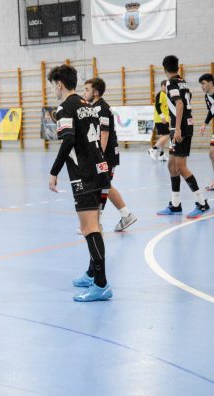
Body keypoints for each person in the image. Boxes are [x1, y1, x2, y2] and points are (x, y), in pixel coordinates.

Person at [47, 65, 112, 302]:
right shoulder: (88, 106)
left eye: (53, 85)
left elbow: (68, 142)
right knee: (95, 224)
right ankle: (93, 272)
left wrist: (54, 171)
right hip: (100, 168)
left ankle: (101, 284)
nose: (53, 89)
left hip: (84, 174)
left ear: (59, 84)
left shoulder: (65, 107)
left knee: (89, 228)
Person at [156, 55, 210, 219]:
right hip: (178, 127)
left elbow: (179, 103)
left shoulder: (171, 83)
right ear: (178, 68)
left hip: (181, 128)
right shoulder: (183, 81)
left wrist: (178, 128)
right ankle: (175, 204)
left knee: (180, 166)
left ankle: (202, 203)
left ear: (164, 69)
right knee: (172, 165)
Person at [84, 78, 138, 232]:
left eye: (87, 90)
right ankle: (100, 221)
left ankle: (124, 215)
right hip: (102, 155)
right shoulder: (93, 107)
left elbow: (105, 133)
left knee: (104, 185)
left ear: (95, 92)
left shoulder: (102, 108)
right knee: (101, 186)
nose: (84, 93)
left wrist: (98, 155)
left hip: (107, 155)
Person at [148, 80, 170, 161]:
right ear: (162, 86)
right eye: (166, 86)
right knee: (167, 135)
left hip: (165, 119)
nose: (167, 88)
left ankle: (161, 154)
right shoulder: (160, 94)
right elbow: (157, 106)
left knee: (163, 137)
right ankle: (153, 149)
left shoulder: (165, 95)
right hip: (161, 119)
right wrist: (162, 117)